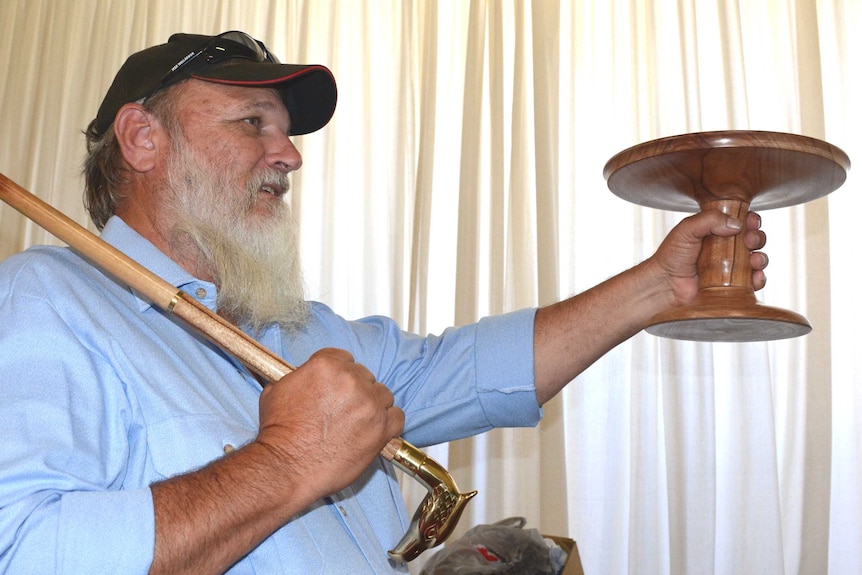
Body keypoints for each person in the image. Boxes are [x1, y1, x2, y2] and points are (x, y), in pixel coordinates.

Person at [0, 31, 768, 574]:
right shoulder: (46, 301)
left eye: (288, 131)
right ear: (141, 140)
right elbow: (27, 552)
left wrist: (657, 287)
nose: (290, 152)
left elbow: (469, 372)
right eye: (252, 122)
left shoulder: (300, 330)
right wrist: (288, 463)